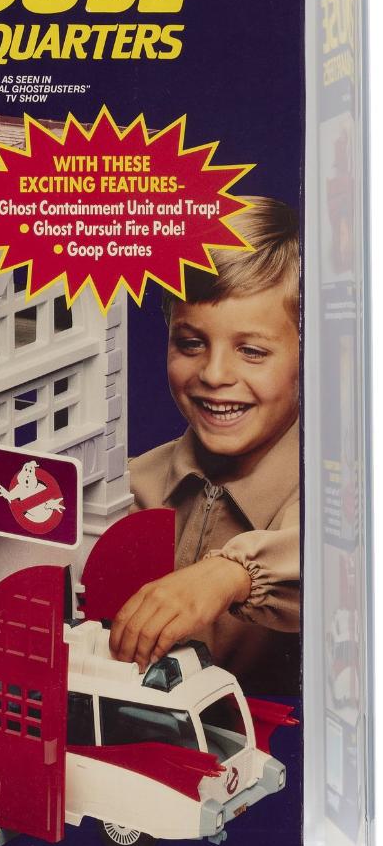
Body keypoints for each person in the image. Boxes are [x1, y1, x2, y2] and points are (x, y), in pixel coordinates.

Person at [110, 198, 300, 696]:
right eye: (191, 343)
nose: (214, 374)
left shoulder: (332, 487)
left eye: (252, 351)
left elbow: (340, 555)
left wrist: (230, 574)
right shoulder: (133, 484)